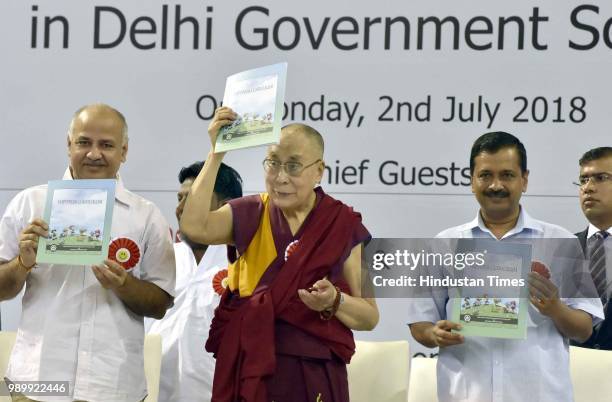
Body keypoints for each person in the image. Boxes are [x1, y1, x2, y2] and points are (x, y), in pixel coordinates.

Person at [179, 107, 379, 402]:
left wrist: (334, 301)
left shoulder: (342, 224)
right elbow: (195, 226)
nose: (280, 177)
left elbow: (370, 316)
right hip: (252, 369)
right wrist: (216, 153)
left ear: (319, 170)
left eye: (294, 166)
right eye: (272, 163)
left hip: (313, 373)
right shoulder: (251, 212)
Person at [407, 131, 604, 402]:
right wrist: (433, 333)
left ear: (524, 180)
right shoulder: (444, 244)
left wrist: (555, 308)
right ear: (472, 181)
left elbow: (584, 329)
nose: (495, 185)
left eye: (507, 175)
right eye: (485, 175)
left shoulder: (560, 242)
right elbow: (420, 322)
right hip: (466, 395)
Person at [0, 104, 176, 402]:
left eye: (106, 145)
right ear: (69, 145)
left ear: (124, 151)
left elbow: (160, 303)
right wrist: (22, 263)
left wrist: (123, 285)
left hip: (113, 386)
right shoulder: (29, 203)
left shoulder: (146, 216)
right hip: (37, 383)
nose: (94, 153)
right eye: (84, 142)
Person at [147, 160, 243, 402]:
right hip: (154, 394)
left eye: (190, 199)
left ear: (226, 207)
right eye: (179, 199)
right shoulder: (160, 258)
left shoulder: (248, 265)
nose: (180, 208)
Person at [573, 147, 612, 349]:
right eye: (583, 179)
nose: (588, 187)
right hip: (569, 372)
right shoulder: (562, 248)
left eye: (600, 177)